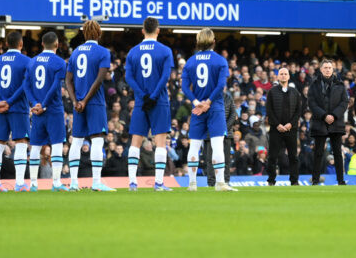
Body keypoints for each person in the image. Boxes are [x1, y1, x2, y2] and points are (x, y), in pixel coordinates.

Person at [181, 28, 236, 192]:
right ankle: (220, 183)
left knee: (194, 145)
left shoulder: (190, 61)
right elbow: (221, 85)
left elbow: (184, 86)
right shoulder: (220, 60)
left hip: (197, 109)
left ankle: (191, 184)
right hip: (216, 107)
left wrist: (197, 102)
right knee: (217, 144)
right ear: (213, 42)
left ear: (197, 43)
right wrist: (209, 102)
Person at [125, 17, 174, 191]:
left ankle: (132, 183)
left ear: (142, 30)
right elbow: (165, 77)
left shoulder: (133, 52)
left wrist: (143, 95)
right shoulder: (165, 51)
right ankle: (159, 183)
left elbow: (129, 77)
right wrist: (153, 96)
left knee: (135, 142)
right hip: (158, 101)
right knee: (161, 142)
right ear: (158, 30)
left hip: (140, 102)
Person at [66, 21, 115, 192]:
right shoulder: (103, 52)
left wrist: (75, 101)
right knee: (97, 140)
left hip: (78, 103)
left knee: (77, 141)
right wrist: (85, 100)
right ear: (98, 33)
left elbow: (68, 80)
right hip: (93, 101)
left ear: (84, 34)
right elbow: (100, 79)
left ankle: (73, 183)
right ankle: (96, 182)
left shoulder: (75, 52)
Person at [23, 32, 68, 192]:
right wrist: (44, 105)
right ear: (57, 45)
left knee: (35, 145)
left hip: (36, 111)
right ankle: (56, 183)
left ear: (42, 44)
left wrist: (35, 104)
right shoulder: (60, 63)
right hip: (53, 109)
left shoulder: (32, 62)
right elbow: (55, 85)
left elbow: (26, 86)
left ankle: (33, 184)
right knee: (57, 143)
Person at [0, 32, 31, 192]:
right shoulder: (27, 61)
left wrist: (0, 102)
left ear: (7, 44)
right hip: (18, 108)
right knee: (21, 144)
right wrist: (10, 102)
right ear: (21, 44)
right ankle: (19, 183)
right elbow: (25, 85)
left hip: (1, 110)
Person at [309, 59, 348, 185]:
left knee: (337, 152)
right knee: (318, 153)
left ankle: (341, 180)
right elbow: (312, 103)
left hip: (336, 123)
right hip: (320, 122)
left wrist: (334, 116)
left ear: (333, 69)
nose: (327, 69)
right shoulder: (314, 84)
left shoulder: (340, 84)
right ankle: (315, 180)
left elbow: (344, 103)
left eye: (329, 67)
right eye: (325, 67)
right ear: (321, 69)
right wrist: (324, 115)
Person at [265, 68, 302, 186]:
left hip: (291, 129)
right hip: (276, 129)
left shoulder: (295, 93)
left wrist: (291, 124)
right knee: (272, 157)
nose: (283, 76)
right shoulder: (272, 92)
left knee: (293, 156)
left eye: (286, 74)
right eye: (281, 74)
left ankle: (294, 181)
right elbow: (269, 111)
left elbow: (298, 111)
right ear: (278, 77)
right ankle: (271, 180)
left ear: (289, 76)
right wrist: (277, 125)